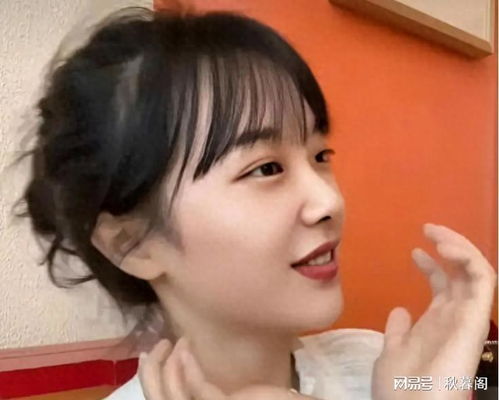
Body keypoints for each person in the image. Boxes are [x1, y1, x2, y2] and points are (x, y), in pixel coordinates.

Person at [18, 5, 496, 400]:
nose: (329, 200)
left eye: (320, 155)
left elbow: (477, 385)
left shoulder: (379, 363)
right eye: (266, 168)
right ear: (132, 243)